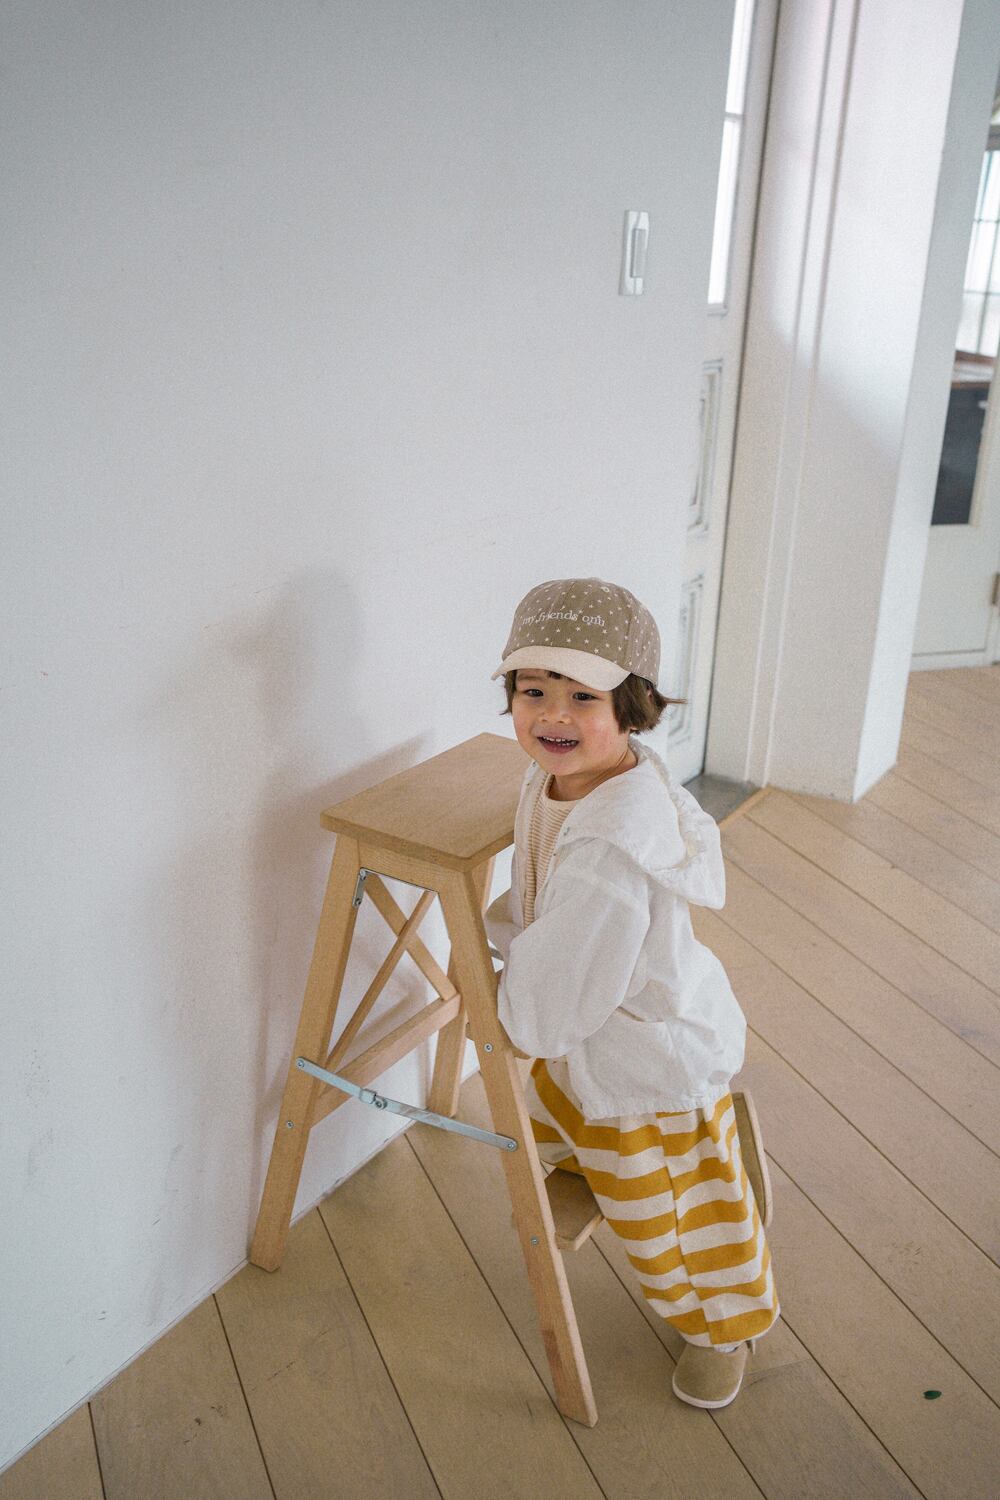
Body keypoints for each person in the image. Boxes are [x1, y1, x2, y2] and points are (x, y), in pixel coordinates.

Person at [483, 576, 779, 1410]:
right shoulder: (573, 778)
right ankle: (609, 1160)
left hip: (642, 1054)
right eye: (533, 691)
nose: (553, 716)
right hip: (599, 1021)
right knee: (573, 1106)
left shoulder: (611, 850)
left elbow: (556, 998)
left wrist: (507, 1003)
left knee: (675, 1222)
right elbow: (544, 906)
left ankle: (724, 1324)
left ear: (632, 704)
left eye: (583, 696)